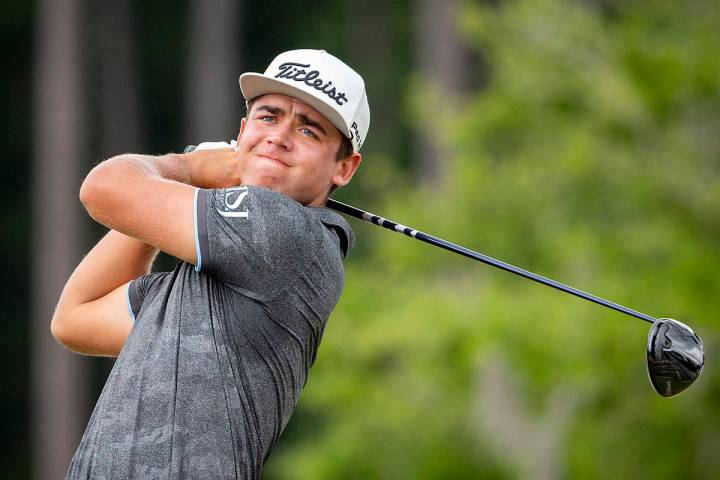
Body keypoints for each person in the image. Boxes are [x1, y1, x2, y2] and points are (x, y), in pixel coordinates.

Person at [51, 49, 370, 479]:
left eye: (309, 130)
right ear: (242, 132)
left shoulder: (285, 231)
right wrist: (181, 189)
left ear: (344, 169)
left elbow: (102, 188)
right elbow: (74, 320)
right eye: (268, 117)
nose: (279, 137)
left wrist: (186, 167)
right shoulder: (201, 280)